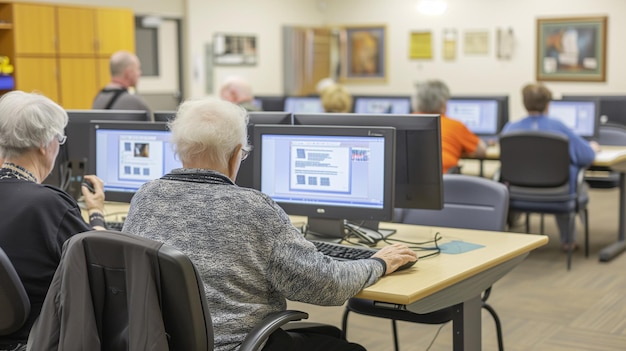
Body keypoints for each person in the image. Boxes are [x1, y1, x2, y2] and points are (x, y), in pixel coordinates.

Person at [122, 97, 417, 351]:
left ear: (179, 149)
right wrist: (377, 263)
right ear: (237, 154)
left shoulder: (145, 197)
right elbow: (326, 285)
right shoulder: (253, 208)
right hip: (244, 344)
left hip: (161, 343)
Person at [0, 91, 107, 350]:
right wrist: (98, 218)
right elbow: (100, 269)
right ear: (45, 143)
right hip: (35, 340)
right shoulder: (49, 205)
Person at [501, 83, 599, 251]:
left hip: (518, 193)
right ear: (548, 104)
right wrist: (593, 148)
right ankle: (568, 242)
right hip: (558, 193)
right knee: (569, 179)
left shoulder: (510, 128)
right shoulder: (558, 127)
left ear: (524, 103)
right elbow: (586, 156)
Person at [415, 80, 487, 174]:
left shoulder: (405, 122)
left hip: (405, 182)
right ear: (443, 104)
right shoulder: (455, 125)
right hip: (443, 182)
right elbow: (481, 151)